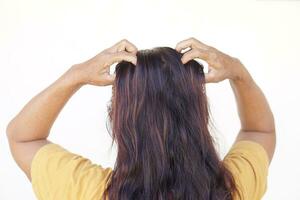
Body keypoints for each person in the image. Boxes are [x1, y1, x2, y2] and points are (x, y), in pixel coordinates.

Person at [6, 38, 276, 200]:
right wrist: (239, 73)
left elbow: (22, 137)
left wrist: (75, 75)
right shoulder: (234, 189)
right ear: (198, 114)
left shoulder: (87, 191)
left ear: (118, 119)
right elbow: (259, 131)